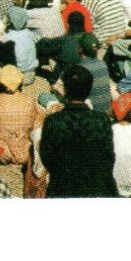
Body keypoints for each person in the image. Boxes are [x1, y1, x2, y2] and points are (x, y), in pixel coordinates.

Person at [38, 64, 118, 197]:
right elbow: (108, 156)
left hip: (62, 187)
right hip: (95, 188)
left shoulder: (53, 121)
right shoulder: (101, 120)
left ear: (65, 90)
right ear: (89, 90)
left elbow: (47, 158)